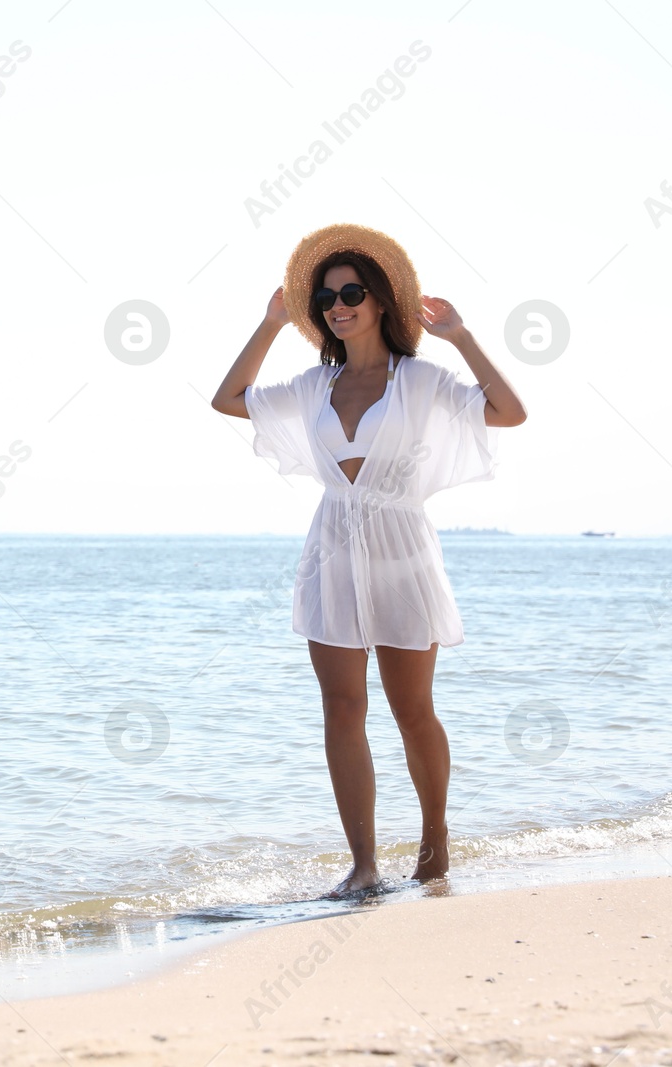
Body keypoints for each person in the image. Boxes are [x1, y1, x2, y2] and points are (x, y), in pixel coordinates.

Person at [210, 223, 527, 896]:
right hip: (331, 553)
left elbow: (508, 411)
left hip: (402, 552)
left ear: (381, 300)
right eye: (325, 297)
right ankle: (362, 864)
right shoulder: (311, 384)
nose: (338, 305)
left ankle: (435, 839)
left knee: (413, 709)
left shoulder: (421, 379)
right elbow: (228, 399)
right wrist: (271, 322)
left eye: (352, 291)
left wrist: (462, 337)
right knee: (341, 707)